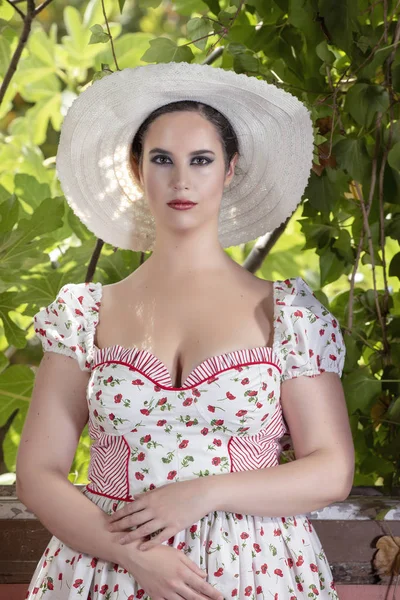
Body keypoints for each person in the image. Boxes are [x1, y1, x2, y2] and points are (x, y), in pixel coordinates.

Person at [17, 62, 354, 600]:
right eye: (161, 160)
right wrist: (131, 554)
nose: (181, 180)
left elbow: (332, 471)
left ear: (229, 168)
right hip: (104, 566)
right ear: (137, 169)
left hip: (253, 568)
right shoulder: (84, 314)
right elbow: (37, 474)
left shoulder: (288, 314)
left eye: (201, 160)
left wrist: (204, 492)